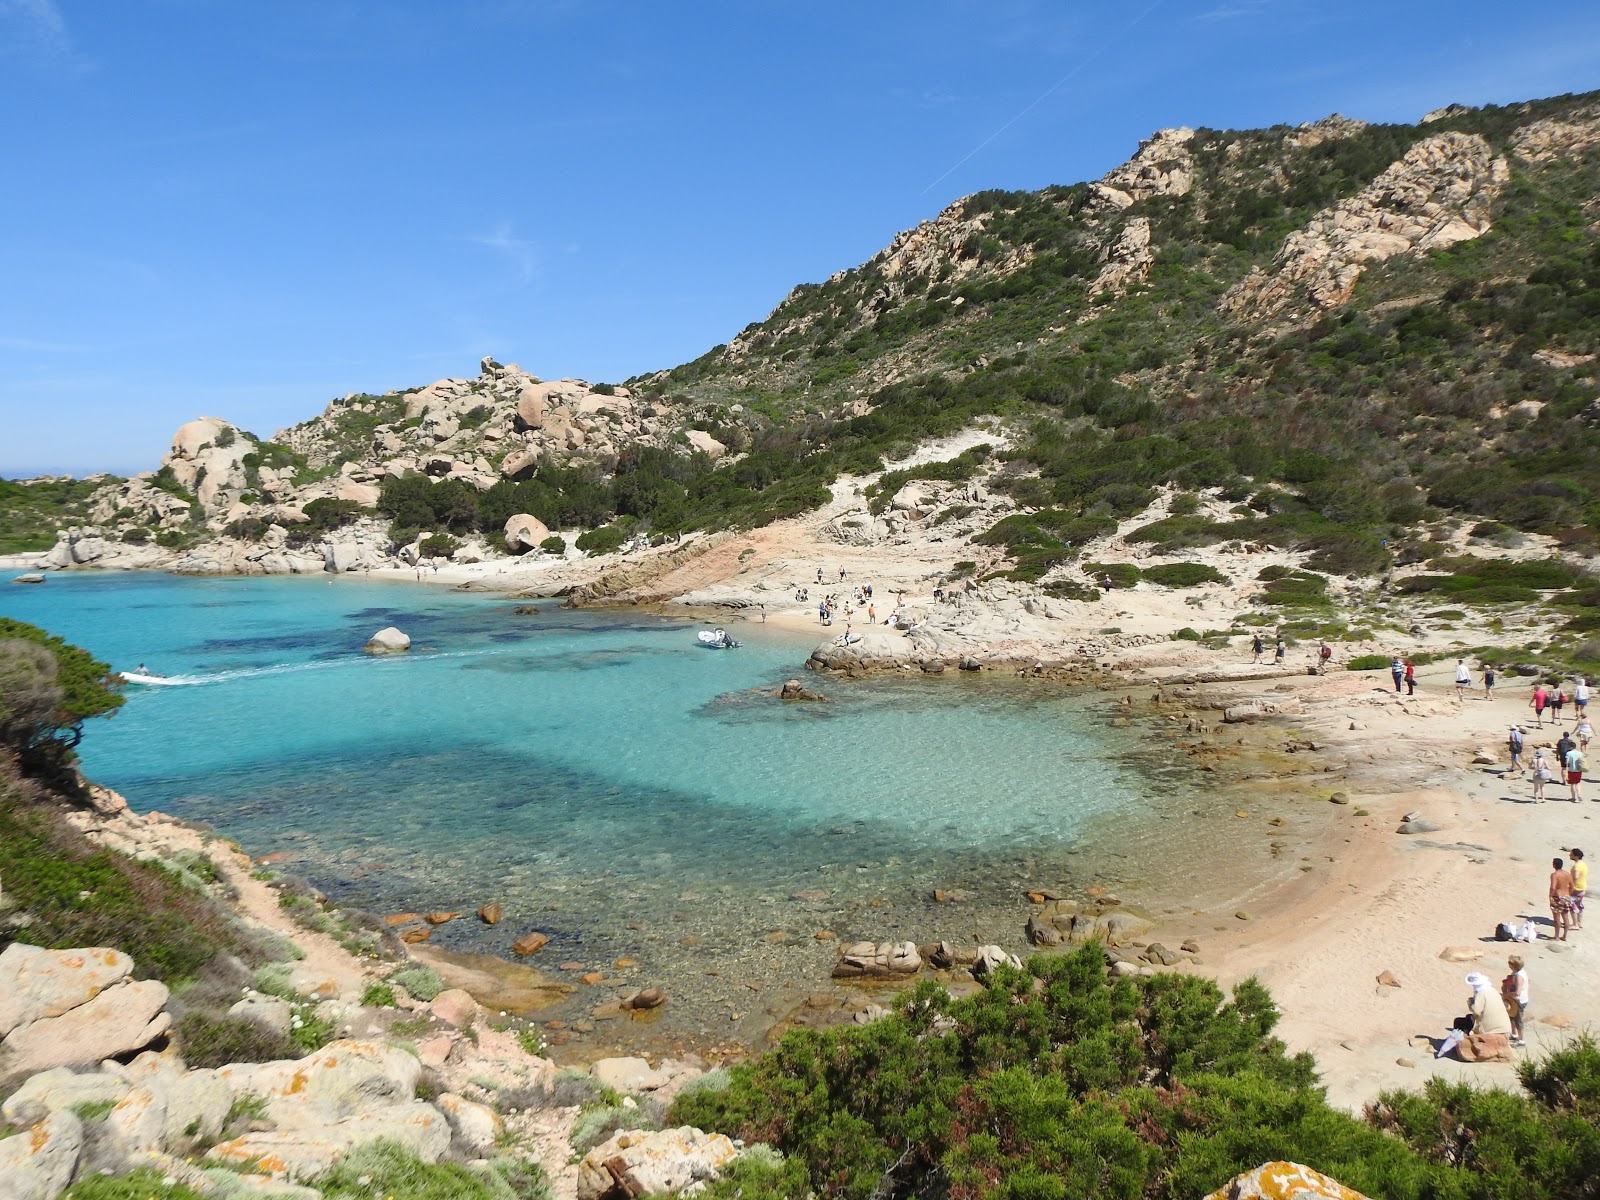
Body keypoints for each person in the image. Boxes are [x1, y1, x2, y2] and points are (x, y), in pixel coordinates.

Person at [1502, 956, 1530, 1047]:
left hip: (1519, 1001)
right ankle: (1514, 1035)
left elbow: (1517, 992)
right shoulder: (1517, 973)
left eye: (1510, 964)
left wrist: (1506, 995)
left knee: (1518, 1020)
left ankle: (1521, 1040)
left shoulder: (1519, 976)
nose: (1509, 965)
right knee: (1512, 1017)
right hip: (1514, 1000)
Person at [1550, 857, 1576, 941]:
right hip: (1566, 896)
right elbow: (1572, 886)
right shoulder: (1567, 874)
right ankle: (1564, 936)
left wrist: (1550, 896)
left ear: (1554, 865)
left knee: (1557, 917)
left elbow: (1553, 887)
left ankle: (1556, 936)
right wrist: (1569, 894)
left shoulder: (1555, 875)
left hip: (1558, 897)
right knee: (1565, 917)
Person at [1571, 848, 1587, 932]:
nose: (1570, 855)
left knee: (1572, 905)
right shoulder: (1583, 864)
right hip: (1583, 887)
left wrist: (1572, 886)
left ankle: (1575, 924)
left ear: (1576, 856)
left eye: (1572, 854)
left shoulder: (1577, 865)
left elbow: (1576, 877)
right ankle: (1579, 923)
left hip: (1577, 888)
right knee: (1579, 905)